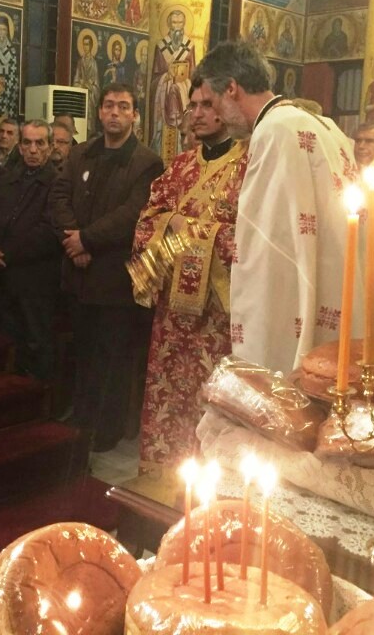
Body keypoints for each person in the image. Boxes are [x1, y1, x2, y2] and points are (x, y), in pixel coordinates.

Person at [192, 41, 374, 376]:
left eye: (214, 104)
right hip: (343, 286)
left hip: (307, 297)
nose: (219, 118)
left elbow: (264, 246)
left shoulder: (273, 132)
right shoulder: (322, 123)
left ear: (231, 89)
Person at [134, 80, 248, 475]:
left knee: (215, 398)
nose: (196, 114)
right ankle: (162, 475)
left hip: (219, 315)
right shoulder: (180, 166)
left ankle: (215, 483)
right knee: (170, 394)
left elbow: (254, 236)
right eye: (193, 105)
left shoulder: (249, 165)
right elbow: (147, 220)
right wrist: (170, 222)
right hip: (173, 318)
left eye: (206, 105)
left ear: (227, 108)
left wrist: (196, 231)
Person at [49, 83, 163, 452]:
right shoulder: (81, 153)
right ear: (99, 112)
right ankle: (81, 420)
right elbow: (59, 196)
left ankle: (107, 428)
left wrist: (87, 240)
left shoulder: (147, 162)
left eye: (123, 106)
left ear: (135, 115)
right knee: (82, 353)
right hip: (78, 274)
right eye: (109, 105)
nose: (115, 112)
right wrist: (73, 241)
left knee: (112, 357)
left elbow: (133, 214)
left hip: (114, 280)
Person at [0, 120, 61, 380]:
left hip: (36, 281)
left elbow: (49, 231)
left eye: (40, 143)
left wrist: (6, 252)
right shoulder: (6, 180)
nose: (33, 149)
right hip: (3, 280)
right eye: (27, 143)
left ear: (50, 147)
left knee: (36, 344)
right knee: (5, 345)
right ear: (20, 146)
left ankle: (39, 397)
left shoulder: (58, 183)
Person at [151, 9, 195, 163]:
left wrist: (184, 82)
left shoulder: (189, 46)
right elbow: (155, 79)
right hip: (165, 101)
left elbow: (194, 76)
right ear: (169, 24)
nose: (177, 27)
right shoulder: (161, 46)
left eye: (180, 23)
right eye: (174, 23)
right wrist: (166, 77)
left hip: (183, 99)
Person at [73, 33, 101, 134]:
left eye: (87, 44)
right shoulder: (80, 62)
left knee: (89, 124)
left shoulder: (94, 63)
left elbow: (95, 83)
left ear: (91, 46)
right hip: (80, 97)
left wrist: (87, 85)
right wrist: (80, 84)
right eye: (84, 44)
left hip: (90, 97)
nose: (85, 47)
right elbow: (76, 80)